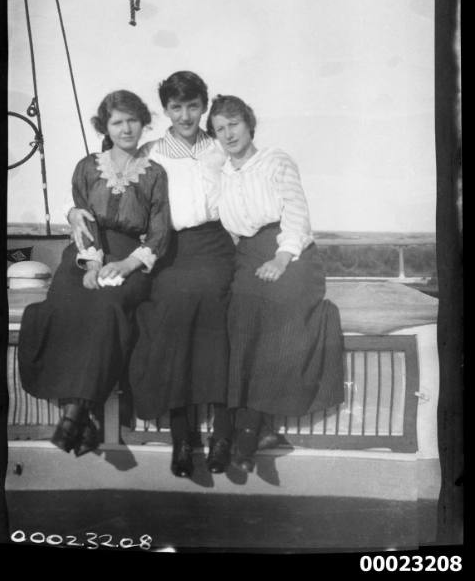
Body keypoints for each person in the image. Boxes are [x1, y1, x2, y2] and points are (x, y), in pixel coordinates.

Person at [69, 72, 236, 478]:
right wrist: (74, 211)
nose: (185, 115)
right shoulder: (150, 153)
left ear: (203, 106)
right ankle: (183, 440)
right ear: (165, 111)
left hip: (215, 247)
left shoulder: (222, 147)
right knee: (170, 319)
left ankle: (224, 436)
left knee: (221, 320)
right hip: (169, 250)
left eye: (193, 106)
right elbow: (104, 192)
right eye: (176, 108)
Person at [18, 90, 171, 457]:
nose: (126, 128)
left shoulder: (155, 174)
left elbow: (160, 231)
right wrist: (92, 263)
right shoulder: (88, 167)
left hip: (130, 258)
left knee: (105, 309)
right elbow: (83, 218)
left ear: (143, 122)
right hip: (85, 254)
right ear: (105, 126)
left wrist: (127, 264)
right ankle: (81, 416)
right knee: (61, 307)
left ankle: (76, 413)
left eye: (133, 120)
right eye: (117, 121)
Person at [207, 95, 345, 472]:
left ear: (249, 124)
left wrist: (281, 258)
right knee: (237, 317)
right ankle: (233, 432)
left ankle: (249, 432)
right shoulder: (220, 173)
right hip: (249, 255)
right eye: (220, 128)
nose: (228, 133)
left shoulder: (276, 160)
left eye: (233, 123)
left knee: (277, 311)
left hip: (293, 254)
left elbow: (297, 216)